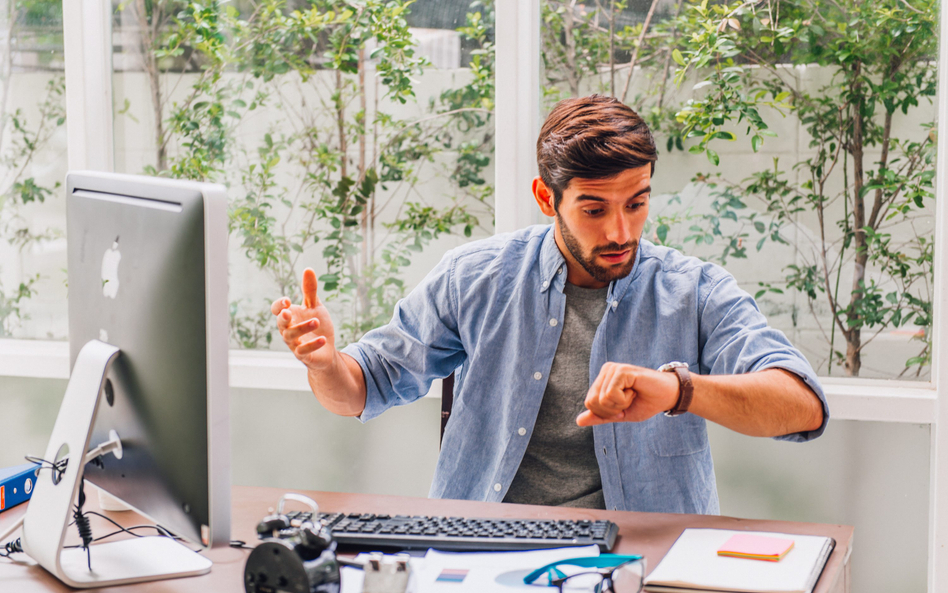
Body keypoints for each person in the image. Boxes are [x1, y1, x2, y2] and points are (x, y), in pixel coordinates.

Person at [272, 94, 828, 514]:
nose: (620, 230)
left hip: (638, 561)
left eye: (636, 203)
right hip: (485, 550)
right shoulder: (475, 277)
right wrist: (326, 363)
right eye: (594, 209)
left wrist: (679, 390)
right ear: (547, 198)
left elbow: (802, 407)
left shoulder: (693, 290)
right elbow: (359, 389)